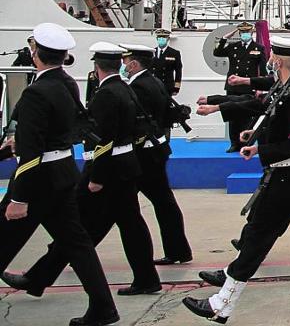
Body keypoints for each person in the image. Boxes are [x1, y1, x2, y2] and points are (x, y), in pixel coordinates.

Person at [182, 37, 290, 321]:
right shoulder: (289, 86)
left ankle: (221, 304)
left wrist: (259, 149)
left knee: (256, 238)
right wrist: (220, 106)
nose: (270, 60)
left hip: (289, 176)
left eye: (273, 56)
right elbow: (262, 105)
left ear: (277, 61)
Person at [4, 43, 162, 298]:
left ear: (97, 66)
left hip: (108, 171)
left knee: (80, 232)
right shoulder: (123, 88)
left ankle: (39, 278)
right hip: (124, 167)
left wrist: (96, 177)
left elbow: (105, 139)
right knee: (111, 228)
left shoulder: (108, 93)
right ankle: (39, 278)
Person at [0, 23, 116, 326]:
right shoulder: (66, 83)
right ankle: (103, 307)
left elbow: (31, 154)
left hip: (37, 180)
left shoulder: (36, 92)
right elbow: (78, 123)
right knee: (77, 245)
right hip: (63, 173)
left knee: (4, 236)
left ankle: (103, 308)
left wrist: (19, 198)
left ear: (35, 53)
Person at [123, 44, 194, 266]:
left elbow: (137, 124)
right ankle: (178, 250)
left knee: (120, 206)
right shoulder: (154, 82)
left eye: (125, 62)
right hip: (155, 150)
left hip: (144, 153)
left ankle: (70, 252)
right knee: (164, 203)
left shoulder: (141, 87)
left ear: (134, 64)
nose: (123, 66)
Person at [213, 21, 266, 152]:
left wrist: (260, 87)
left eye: (247, 32)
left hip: (248, 87)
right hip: (233, 87)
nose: (245, 35)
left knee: (247, 117)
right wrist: (225, 38)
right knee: (232, 116)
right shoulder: (233, 47)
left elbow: (263, 70)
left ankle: (246, 142)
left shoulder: (258, 48)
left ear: (252, 33)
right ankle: (234, 143)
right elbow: (217, 52)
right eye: (242, 33)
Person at [150, 29, 183, 96]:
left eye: (164, 37)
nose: (161, 39)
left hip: (167, 86)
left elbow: (178, 71)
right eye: (159, 37)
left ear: (168, 39)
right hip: (154, 85)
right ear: (157, 39)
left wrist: (177, 87)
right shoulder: (152, 52)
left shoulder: (174, 53)